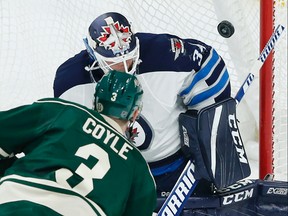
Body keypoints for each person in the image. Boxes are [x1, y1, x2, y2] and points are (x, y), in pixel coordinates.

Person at [53, 12, 232, 197]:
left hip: (178, 171)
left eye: (128, 57)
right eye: (113, 62)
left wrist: (203, 127)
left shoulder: (166, 54)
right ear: (92, 52)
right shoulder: (70, 82)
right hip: (114, 177)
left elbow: (208, 63)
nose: (124, 66)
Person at [0, 70, 157, 216]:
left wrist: (10, 169)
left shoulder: (64, 111)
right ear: (135, 113)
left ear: (95, 102)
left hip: (14, 201)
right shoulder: (139, 167)